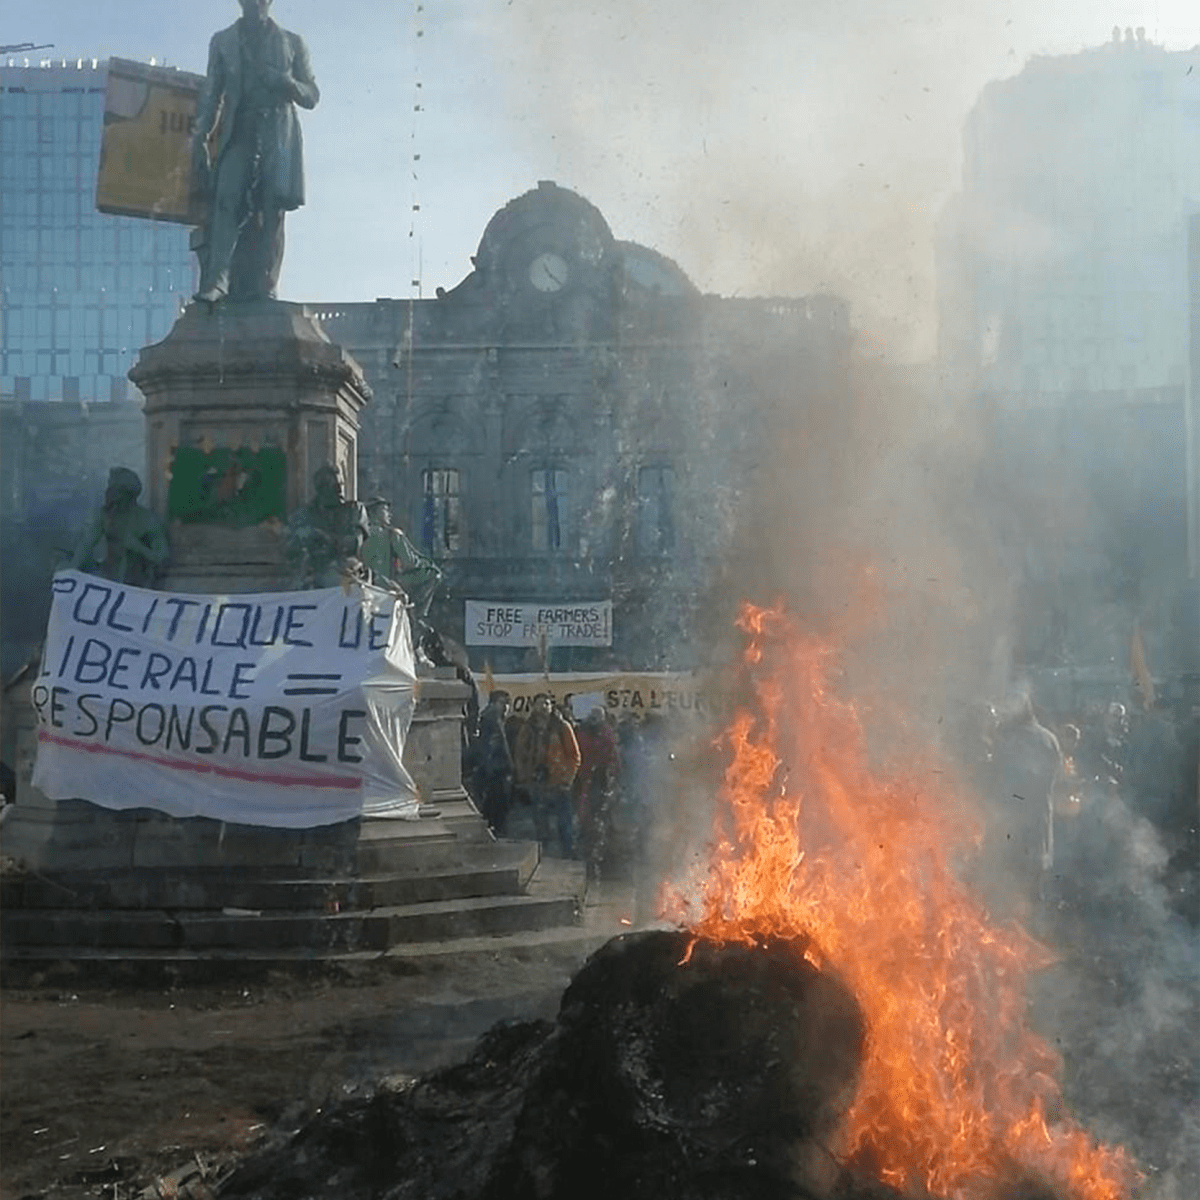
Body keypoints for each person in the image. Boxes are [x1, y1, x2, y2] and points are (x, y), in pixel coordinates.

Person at [191, 0, 319, 303]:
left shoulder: (293, 42)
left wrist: (286, 82)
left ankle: (267, 284)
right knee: (226, 196)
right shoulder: (222, 41)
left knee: (274, 210)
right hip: (241, 130)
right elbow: (212, 94)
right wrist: (199, 135)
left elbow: (312, 95)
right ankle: (218, 280)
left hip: (282, 137)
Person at [987, 693, 1062, 912]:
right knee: (1033, 891)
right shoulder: (1050, 739)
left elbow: (997, 778)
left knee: (1006, 892)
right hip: (1040, 824)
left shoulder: (1011, 739)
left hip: (1011, 826)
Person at [70, 467, 170, 588]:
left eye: (114, 488)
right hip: (109, 580)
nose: (108, 492)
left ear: (126, 493)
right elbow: (86, 544)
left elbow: (162, 558)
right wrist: (70, 570)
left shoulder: (147, 519)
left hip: (137, 585)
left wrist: (138, 547)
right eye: (109, 487)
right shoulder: (105, 516)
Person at [515, 693, 580, 857]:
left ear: (551, 707)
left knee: (564, 820)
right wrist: (524, 777)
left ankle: (568, 850)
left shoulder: (562, 726)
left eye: (546, 703)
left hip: (560, 781)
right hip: (537, 781)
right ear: (534, 706)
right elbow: (520, 753)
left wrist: (568, 779)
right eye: (539, 703)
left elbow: (574, 755)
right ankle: (542, 851)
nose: (543, 707)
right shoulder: (528, 728)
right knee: (540, 819)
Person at [285, 464, 369, 589]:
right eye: (334, 487)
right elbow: (290, 549)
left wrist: (325, 537)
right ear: (321, 489)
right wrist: (304, 538)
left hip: (345, 570)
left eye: (341, 485)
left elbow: (354, 542)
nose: (340, 491)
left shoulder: (354, 510)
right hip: (311, 571)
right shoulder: (304, 514)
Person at [361, 497, 443, 614]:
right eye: (385, 510)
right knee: (434, 573)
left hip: (365, 585)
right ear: (374, 512)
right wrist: (427, 564)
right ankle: (415, 615)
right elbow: (410, 562)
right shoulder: (392, 534)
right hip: (389, 585)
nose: (389, 514)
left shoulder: (360, 534)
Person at [574, 707, 621, 881]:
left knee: (603, 818)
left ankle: (602, 857)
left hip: (603, 781)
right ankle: (589, 855)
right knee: (587, 817)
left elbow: (613, 758)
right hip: (585, 780)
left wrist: (611, 774)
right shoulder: (582, 733)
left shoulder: (607, 734)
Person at [473, 691, 515, 836]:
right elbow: (494, 746)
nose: (506, 707)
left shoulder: (493, 718)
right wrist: (505, 767)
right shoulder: (492, 719)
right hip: (496, 772)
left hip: (494, 770)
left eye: (507, 703)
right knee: (497, 810)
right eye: (503, 703)